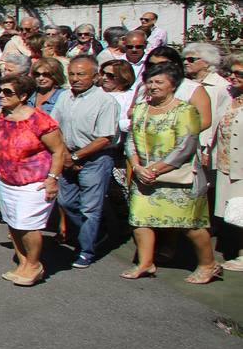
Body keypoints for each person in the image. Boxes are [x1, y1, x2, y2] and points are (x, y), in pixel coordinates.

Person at [121, 61, 218, 283]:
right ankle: (145, 263)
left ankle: (208, 264)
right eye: (150, 81)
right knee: (140, 220)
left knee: (191, 225)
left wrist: (155, 169)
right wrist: (137, 167)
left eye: (159, 82)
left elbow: (186, 146)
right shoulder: (141, 109)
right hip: (144, 176)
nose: (153, 86)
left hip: (179, 178)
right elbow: (131, 141)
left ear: (173, 85)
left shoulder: (185, 111)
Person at [0, 73, 70, 286]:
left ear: (24, 95)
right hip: (7, 180)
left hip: (34, 182)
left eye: (8, 92)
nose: (2, 95)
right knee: (13, 223)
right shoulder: (0, 115)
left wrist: (52, 178)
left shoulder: (39, 119)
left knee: (27, 224)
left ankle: (34, 264)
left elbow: (58, 150)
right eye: (0, 90)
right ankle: (23, 263)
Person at [51, 55, 121, 269]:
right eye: (71, 74)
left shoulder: (105, 101)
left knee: (90, 208)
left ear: (95, 76)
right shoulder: (64, 97)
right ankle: (96, 232)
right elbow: (55, 126)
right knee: (66, 201)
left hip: (95, 159)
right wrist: (64, 155)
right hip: (68, 155)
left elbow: (105, 137)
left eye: (81, 74)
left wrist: (76, 157)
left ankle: (86, 251)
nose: (75, 79)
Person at [213, 54, 243, 270]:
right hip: (226, 162)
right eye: (231, 72)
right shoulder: (231, 95)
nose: (232, 77)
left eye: (239, 73)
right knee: (234, 211)